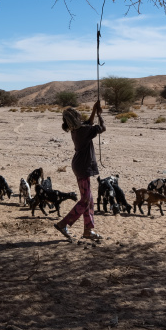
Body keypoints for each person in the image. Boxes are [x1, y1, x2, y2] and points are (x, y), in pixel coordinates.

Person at [54, 100, 105, 241]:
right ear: (76, 118)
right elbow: (102, 128)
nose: (81, 116)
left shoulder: (78, 130)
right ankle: (62, 224)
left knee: (89, 200)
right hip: (82, 166)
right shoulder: (83, 131)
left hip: (79, 165)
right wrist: (100, 116)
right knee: (85, 200)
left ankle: (88, 231)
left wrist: (94, 110)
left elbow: (88, 123)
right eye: (78, 115)